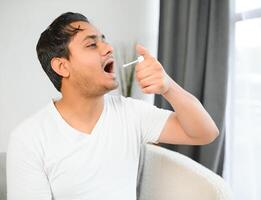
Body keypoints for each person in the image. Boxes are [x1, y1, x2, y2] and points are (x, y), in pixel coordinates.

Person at [6, 12, 219, 200]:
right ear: (62, 66)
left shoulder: (131, 113)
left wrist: (169, 87)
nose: (108, 48)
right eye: (92, 44)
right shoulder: (28, 140)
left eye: (104, 41)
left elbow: (205, 133)